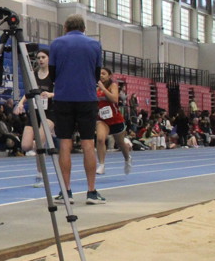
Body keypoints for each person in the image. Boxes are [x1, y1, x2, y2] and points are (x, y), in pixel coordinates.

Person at [49, 14, 104, 204]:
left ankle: (66, 192)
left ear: (65, 27)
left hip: (63, 97)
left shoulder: (56, 44)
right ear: (84, 28)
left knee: (65, 143)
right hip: (87, 98)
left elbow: (52, 73)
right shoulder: (95, 45)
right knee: (88, 143)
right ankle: (91, 192)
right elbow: (97, 73)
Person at [14, 49, 56, 183]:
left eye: (43, 57)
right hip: (35, 112)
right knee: (25, 146)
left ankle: (40, 173)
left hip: (50, 113)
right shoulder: (34, 75)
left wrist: (50, 94)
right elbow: (28, 92)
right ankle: (43, 147)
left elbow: (63, 91)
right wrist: (21, 103)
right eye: (38, 58)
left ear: (49, 58)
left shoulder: (54, 75)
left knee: (39, 143)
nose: (41, 60)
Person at [95, 67, 133, 176]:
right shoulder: (96, 88)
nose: (101, 76)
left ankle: (127, 159)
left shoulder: (113, 86)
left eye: (104, 73)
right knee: (100, 139)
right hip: (102, 119)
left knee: (120, 143)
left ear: (109, 76)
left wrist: (103, 88)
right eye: (100, 74)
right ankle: (101, 164)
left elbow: (114, 99)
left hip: (115, 119)